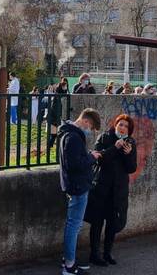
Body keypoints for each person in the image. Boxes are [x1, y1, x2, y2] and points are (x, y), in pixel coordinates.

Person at [84, 114, 137, 267]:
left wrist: (128, 155)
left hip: (118, 190)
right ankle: (94, 253)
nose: (123, 128)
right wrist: (116, 147)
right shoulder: (104, 137)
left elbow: (131, 168)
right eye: (120, 124)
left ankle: (107, 252)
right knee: (97, 222)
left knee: (112, 223)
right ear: (115, 124)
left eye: (126, 126)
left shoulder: (130, 142)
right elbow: (99, 159)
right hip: (101, 187)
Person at [58, 108, 103, 274]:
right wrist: (92, 157)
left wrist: (88, 154)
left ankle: (69, 260)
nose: (90, 131)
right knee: (73, 226)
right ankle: (69, 266)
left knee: (73, 225)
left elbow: (75, 159)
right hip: (77, 187)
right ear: (85, 121)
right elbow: (75, 164)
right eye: (90, 128)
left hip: (75, 185)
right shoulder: (74, 137)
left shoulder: (69, 134)